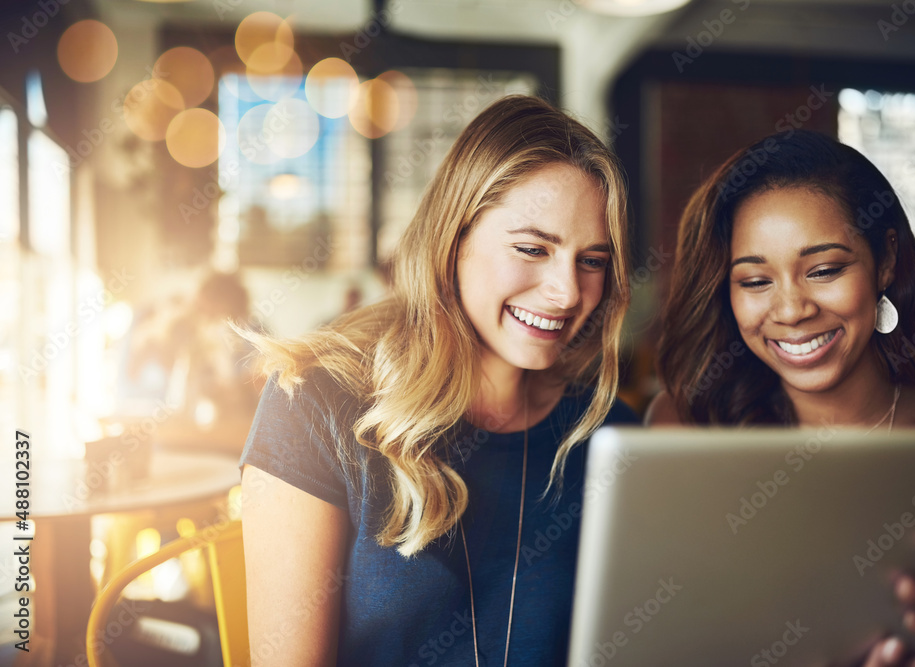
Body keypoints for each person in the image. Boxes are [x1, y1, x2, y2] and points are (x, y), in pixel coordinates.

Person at [239, 95, 638, 666]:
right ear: (455, 240)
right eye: (532, 248)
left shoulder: (607, 432)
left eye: (592, 260)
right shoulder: (315, 405)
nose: (568, 291)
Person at [646, 129, 915, 665]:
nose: (790, 310)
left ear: (884, 260)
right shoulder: (683, 427)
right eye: (755, 281)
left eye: (824, 270)